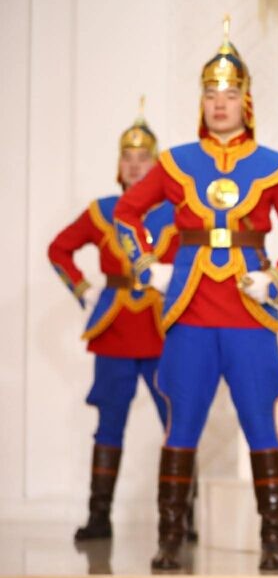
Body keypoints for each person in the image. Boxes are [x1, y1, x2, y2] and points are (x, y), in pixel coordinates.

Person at [114, 18, 278, 572]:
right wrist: (147, 267)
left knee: (260, 422)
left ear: (245, 100)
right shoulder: (175, 161)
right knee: (181, 423)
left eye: (228, 94)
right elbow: (127, 214)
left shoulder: (274, 166)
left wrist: (277, 278)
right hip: (190, 310)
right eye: (210, 93)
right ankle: (170, 539)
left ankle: (275, 539)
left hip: (250, 312)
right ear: (201, 101)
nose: (219, 103)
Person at [48, 103, 178, 543]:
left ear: (156, 165)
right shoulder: (102, 211)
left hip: (163, 332)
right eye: (128, 158)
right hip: (115, 332)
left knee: (177, 421)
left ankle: (179, 517)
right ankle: (99, 516)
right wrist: (82, 289)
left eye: (144, 159)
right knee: (109, 424)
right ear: (118, 165)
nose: (135, 166)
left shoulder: (176, 213)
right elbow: (59, 249)